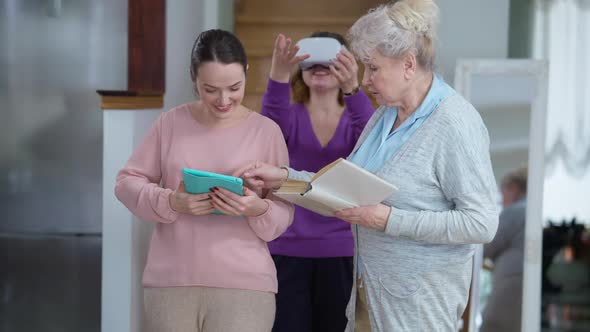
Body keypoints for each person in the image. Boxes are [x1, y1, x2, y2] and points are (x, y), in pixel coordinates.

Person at [234, 1, 499, 330]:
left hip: (419, 310)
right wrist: (281, 180)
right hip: (366, 300)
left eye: (373, 68)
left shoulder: (454, 122)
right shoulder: (384, 116)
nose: (364, 80)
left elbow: (481, 223)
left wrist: (388, 219)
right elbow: (338, 193)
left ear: (408, 64)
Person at [114, 29, 294, 332]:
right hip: (170, 282)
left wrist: (256, 209)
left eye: (234, 87)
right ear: (193, 78)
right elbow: (126, 183)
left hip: (246, 285)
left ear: (247, 73)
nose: (224, 99)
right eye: (210, 89)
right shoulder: (170, 123)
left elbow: (284, 213)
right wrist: (171, 201)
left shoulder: (267, 132)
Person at [261, 31, 374, 332]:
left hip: (340, 250)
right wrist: (278, 75)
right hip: (286, 247)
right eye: (311, 61)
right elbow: (267, 133)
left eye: (331, 60)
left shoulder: (357, 119)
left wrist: (354, 89)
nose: (320, 67)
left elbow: (373, 146)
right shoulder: (289, 116)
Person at [481, 167, 527, 332]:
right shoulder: (529, 210)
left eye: (503, 192)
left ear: (513, 188)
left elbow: (487, 245)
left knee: (492, 327)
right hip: (517, 284)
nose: (502, 199)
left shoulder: (515, 211)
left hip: (510, 287)